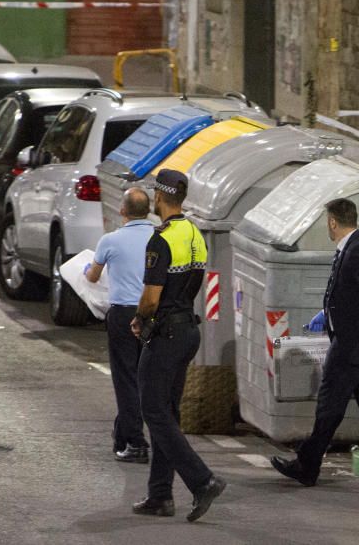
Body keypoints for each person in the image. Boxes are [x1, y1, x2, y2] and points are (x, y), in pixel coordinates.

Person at [270, 198, 359, 486]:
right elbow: (353, 295)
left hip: (353, 346)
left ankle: (307, 466)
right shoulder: (352, 247)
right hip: (358, 345)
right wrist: (327, 314)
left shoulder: (358, 250)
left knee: (329, 406)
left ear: (332, 222)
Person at [129, 169, 225, 522]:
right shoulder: (195, 234)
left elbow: (151, 298)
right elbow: (193, 285)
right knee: (166, 415)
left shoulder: (162, 240)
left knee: (153, 411)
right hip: (187, 331)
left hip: (166, 334)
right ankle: (160, 496)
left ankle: (203, 481)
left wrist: (141, 317)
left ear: (158, 196)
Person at [85, 187, 154, 463]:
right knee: (147, 378)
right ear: (148, 210)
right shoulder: (160, 237)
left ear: (122, 211)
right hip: (154, 314)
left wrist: (84, 269)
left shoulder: (110, 240)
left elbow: (92, 276)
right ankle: (125, 434)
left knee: (126, 379)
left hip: (123, 314)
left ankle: (135, 442)